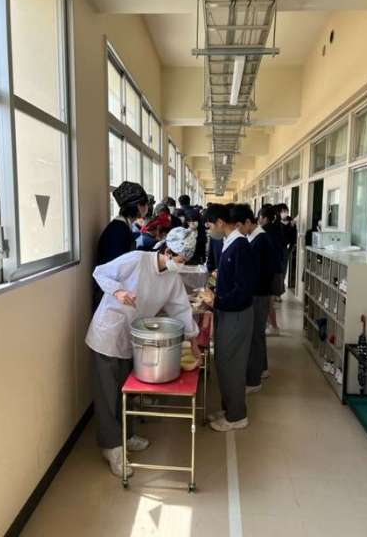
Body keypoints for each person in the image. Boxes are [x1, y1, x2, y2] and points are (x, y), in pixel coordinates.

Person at [86, 227, 201, 478]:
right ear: (168, 251)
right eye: (180, 260)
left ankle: (126, 435)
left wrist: (193, 342)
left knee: (125, 391)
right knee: (107, 394)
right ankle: (111, 447)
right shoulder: (137, 259)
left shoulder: (172, 278)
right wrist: (118, 291)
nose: (181, 265)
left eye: (185, 261)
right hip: (108, 333)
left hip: (134, 337)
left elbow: (181, 309)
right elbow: (100, 271)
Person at [205, 204, 256, 432]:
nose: (209, 231)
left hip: (236, 315)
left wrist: (217, 300)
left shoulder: (240, 246)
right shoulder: (229, 243)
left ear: (220, 222)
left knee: (232, 364)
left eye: (209, 226)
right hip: (227, 312)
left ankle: (237, 416)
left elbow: (243, 289)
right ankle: (229, 408)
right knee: (223, 362)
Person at [94, 182, 148, 310]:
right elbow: (116, 268)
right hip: (111, 295)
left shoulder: (123, 227)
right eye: (145, 204)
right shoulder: (117, 231)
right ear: (138, 206)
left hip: (118, 292)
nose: (147, 207)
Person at [243, 208, 278, 390]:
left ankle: (254, 379)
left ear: (249, 222)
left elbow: (259, 271)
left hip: (259, 293)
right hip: (260, 291)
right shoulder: (256, 237)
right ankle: (262, 368)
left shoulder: (260, 240)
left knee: (255, 335)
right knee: (258, 334)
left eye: (239, 226)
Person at [258, 204, 284, 336]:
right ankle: (271, 325)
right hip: (276, 268)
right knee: (269, 301)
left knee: (268, 301)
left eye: (260, 217)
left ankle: (274, 327)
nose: (258, 220)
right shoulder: (276, 228)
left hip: (269, 271)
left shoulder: (264, 231)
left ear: (264, 218)